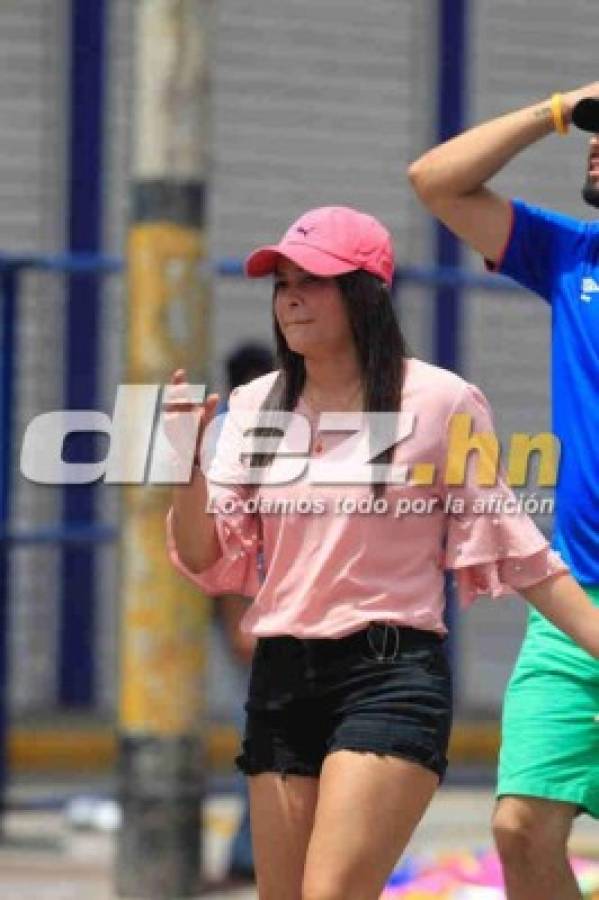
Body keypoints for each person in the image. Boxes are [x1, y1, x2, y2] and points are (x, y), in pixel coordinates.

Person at [165, 205, 599, 900]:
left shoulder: (439, 401)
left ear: (364, 292)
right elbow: (201, 552)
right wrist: (185, 463)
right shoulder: (251, 407)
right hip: (282, 677)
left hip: (390, 675)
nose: (291, 299)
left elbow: (522, 555)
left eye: (312, 280)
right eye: (281, 283)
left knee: (331, 893)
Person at [408, 83, 599, 900]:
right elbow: (435, 181)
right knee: (519, 828)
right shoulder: (571, 256)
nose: (592, 145)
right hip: (573, 601)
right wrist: (554, 110)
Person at [213, 342, 274, 883]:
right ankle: (245, 854)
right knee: (264, 737)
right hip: (257, 611)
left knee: (264, 736)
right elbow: (233, 541)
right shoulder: (242, 433)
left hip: (267, 608)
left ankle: (247, 854)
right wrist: (239, 619)